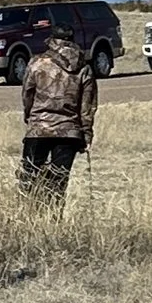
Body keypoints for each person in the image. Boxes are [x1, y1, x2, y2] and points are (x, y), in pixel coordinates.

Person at [19, 23, 97, 201]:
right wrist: (86, 134)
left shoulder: (37, 63)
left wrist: (29, 117)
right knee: (58, 184)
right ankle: (53, 221)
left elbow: (27, 94)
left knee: (29, 181)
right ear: (72, 40)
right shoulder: (84, 68)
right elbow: (87, 106)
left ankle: (28, 218)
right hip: (69, 133)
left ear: (52, 40)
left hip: (38, 129)